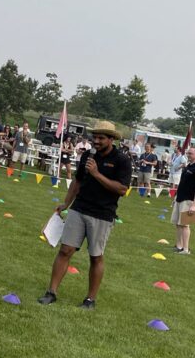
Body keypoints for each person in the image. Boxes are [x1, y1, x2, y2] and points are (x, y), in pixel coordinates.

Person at [38, 121, 131, 309]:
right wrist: (66, 203)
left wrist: (96, 174)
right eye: (94, 137)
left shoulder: (122, 160)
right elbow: (77, 181)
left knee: (95, 257)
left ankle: (90, 300)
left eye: (101, 138)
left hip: (102, 214)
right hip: (79, 209)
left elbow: (122, 188)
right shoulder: (88, 155)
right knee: (65, 251)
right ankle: (51, 292)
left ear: (111, 139)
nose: (96, 141)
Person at [171, 147, 195, 254]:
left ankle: (186, 249)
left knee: (185, 224)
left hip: (189, 199)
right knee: (177, 223)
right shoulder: (188, 166)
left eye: (190, 153)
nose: (188, 155)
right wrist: (176, 197)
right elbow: (182, 183)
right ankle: (179, 246)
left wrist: (194, 205)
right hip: (180, 197)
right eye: (187, 153)